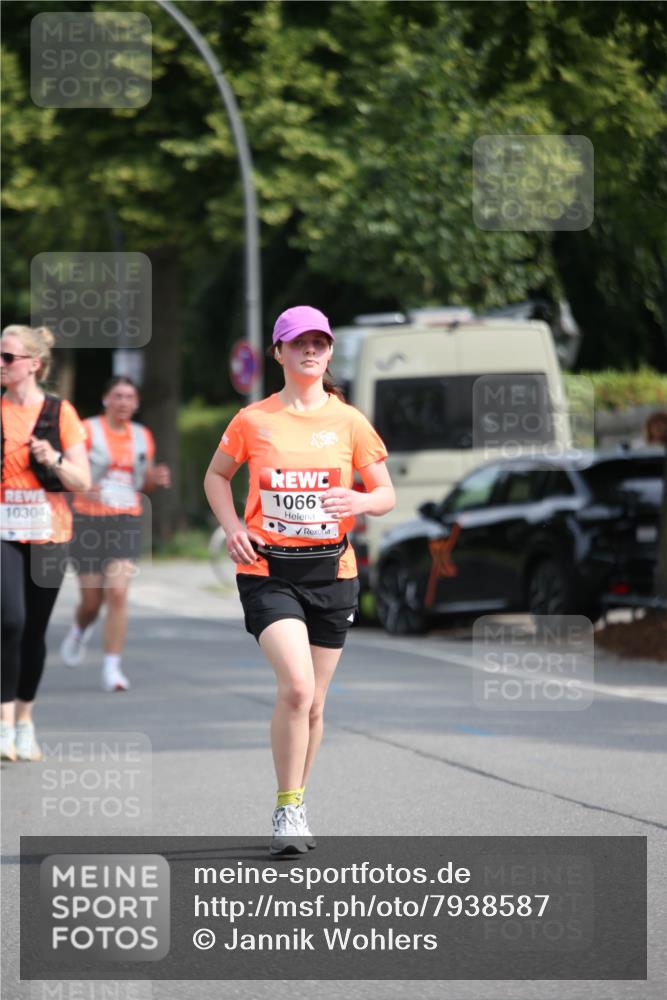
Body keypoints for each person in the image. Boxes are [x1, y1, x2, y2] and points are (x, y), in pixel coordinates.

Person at [204, 305, 395, 855]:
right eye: (298, 342)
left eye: (319, 342)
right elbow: (216, 476)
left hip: (332, 571)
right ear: (279, 352)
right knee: (297, 686)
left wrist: (359, 497)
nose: (310, 350)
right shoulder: (253, 419)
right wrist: (233, 525)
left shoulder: (350, 421)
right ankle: (287, 809)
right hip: (268, 570)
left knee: (314, 705)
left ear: (330, 352)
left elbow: (384, 494)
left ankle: (298, 799)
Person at [1, 324, 90, 762]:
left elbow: (83, 480)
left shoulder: (61, 413)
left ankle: (24, 720)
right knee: (10, 621)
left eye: (8, 357)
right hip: (5, 534)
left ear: (33, 364)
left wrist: (51, 457)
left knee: (34, 630)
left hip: (51, 532)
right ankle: (2, 724)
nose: (0, 364)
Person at [60, 376, 171, 692]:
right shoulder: (86, 430)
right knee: (92, 601)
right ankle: (80, 629)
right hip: (87, 521)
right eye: (118, 396)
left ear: (136, 404)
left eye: (130, 397)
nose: (124, 402)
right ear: (106, 399)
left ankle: (112, 668)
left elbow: (143, 481)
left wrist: (156, 478)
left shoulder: (142, 435)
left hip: (125, 519)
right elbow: (68, 473)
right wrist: (83, 487)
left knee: (118, 592)